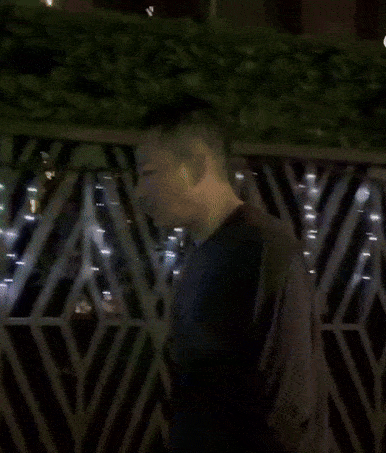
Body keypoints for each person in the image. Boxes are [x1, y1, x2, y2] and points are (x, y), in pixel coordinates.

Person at [133, 95, 327, 452]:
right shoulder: (204, 253)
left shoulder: (264, 249)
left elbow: (288, 403)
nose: (139, 193)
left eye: (148, 174)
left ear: (195, 166)